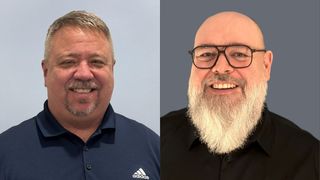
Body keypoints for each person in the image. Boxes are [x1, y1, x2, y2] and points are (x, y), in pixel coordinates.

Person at [0, 10, 159, 180]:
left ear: (112, 70)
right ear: (46, 72)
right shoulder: (5, 153)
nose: (84, 74)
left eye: (96, 62)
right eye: (69, 62)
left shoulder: (152, 147)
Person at [161, 11, 319, 180]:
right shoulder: (160, 139)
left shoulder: (310, 158)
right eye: (206, 54)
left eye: (239, 54)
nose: (221, 68)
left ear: (266, 65)